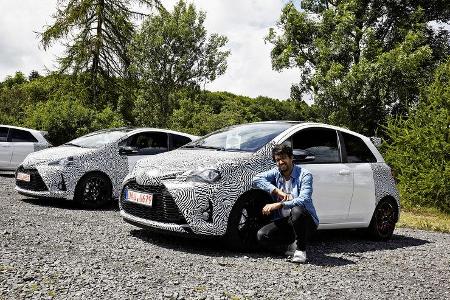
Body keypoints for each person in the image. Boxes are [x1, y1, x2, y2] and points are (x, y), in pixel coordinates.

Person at [252, 144, 319, 263]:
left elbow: (304, 198)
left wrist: (280, 204)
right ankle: (289, 244)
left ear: (291, 158)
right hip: (286, 221)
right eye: (277, 160)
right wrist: (277, 191)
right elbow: (256, 178)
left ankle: (301, 251)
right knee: (262, 235)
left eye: (284, 158)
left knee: (297, 210)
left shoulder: (304, 175)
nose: (281, 162)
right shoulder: (276, 172)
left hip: (306, 221)